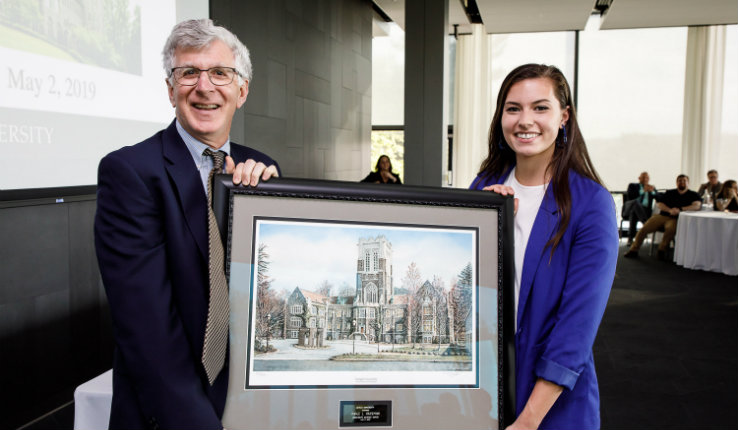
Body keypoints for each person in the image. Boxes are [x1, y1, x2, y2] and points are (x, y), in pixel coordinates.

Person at [94, 19, 279, 429]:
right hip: (169, 412)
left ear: (242, 90)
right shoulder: (130, 171)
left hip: (251, 404)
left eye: (220, 73)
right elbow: (147, 330)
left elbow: (264, 292)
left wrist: (259, 199)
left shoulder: (263, 171)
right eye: (188, 72)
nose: (204, 86)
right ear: (170, 89)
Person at [470, 64, 618, 429]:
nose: (525, 120)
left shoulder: (591, 203)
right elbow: (464, 289)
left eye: (540, 107)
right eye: (513, 108)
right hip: (482, 386)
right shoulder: (484, 186)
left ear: (564, 117)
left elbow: (577, 327)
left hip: (550, 402)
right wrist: (488, 224)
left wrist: (528, 421)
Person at [624, 174, 701, 260]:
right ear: (676, 182)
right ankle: (633, 250)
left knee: (671, 229)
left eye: (684, 180)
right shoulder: (670, 193)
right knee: (644, 228)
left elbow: (697, 206)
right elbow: (659, 203)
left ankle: (661, 250)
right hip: (662, 216)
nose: (682, 182)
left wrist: (680, 209)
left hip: (676, 219)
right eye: (680, 180)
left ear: (688, 182)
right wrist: (669, 210)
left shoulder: (693, 194)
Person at [622, 171, 657, 244]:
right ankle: (646, 223)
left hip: (644, 211)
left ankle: (630, 238)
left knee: (634, 212)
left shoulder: (651, 187)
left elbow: (659, 198)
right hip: (629, 208)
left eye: (647, 177)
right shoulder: (632, 186)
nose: (645, 179)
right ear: (639, 178)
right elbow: (631, 196)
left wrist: (652, 192)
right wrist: (643, 191)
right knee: (635, 203)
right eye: (643, 177)